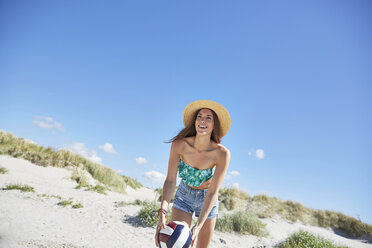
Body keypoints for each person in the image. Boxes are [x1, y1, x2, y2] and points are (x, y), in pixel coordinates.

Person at [154, 100, 231, 248]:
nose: (203, 121)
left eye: (208, 118)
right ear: (195, 121)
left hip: (207, 200)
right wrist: (163, 210)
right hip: (183, 196)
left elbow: (213, 192)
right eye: (199, 116)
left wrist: (198, 226)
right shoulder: (179, 145)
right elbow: (170, 181)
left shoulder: (222, 154)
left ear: (215, 124)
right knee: (176, 244)